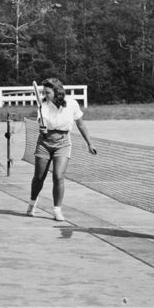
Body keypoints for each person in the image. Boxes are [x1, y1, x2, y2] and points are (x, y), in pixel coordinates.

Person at [26, 77, 96, 222]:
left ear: (57, 91)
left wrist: (90, 143)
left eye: (48, 92)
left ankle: (57, 210)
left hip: (63, 143)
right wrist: (42, 128)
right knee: (39, 177)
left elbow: (81, 124)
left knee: (58, 176)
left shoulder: (72, 104)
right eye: (44, 92)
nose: (45, 95)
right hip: (44, 143)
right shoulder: (43, 105)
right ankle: (32, 203)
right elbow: (41, 124)